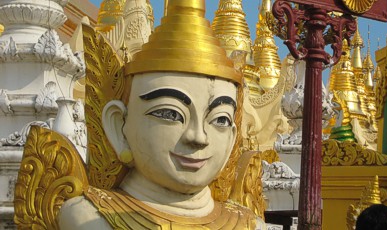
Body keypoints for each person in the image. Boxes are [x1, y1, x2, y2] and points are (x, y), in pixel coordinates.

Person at [14, 0, 265, 229]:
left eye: (220, 120)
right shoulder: (91, 218)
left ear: (233, 138)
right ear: (118, 125)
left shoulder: (249, 224)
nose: (198, 137)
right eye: (169, 113)